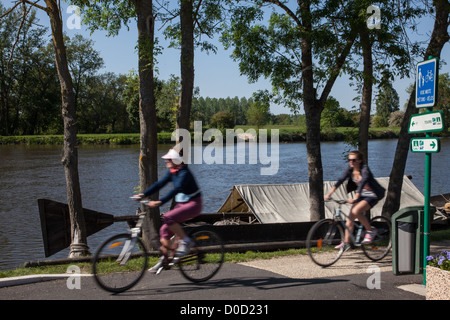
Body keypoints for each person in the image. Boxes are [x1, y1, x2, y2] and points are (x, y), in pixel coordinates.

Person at [134, 146, 202, 272]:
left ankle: (187, 242)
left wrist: (160, 201)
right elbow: (159, 184)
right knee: (164, 230)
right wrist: (144, 194)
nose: (166, 161)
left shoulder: (184, 173)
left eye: (169, 159)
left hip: (193, 204)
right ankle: (164, 260)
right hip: (182, 205)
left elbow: (176, 190)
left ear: (176, 160)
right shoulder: (173, 171)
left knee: (168, 217)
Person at [324, 150, 385, 250]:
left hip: (373, 194)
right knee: (349, 219)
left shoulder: (365, 169)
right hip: (362, 195)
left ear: (360, 160)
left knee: (356, 211)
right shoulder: (350, 169)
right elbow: (340, 180)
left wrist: (355, 198)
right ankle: (346, 243)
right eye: (349, 160)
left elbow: (362, 183)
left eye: (353, 160)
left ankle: (371, 230)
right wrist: (329, 194)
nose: (351, 162)